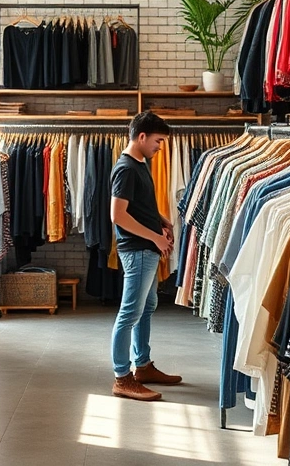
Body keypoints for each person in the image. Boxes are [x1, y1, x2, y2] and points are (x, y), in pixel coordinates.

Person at [108, 111, 183, 401]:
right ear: (142, 137)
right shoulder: (126, 168)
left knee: (146, 306)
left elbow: (139, 205)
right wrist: (154, 236)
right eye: (158, 140)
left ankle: (143, 365)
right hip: (138, 250)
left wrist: (161, 219)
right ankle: (122, 377)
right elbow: (118, 215)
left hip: (147, 248)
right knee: (129, 312)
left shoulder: (140, 162)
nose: (160, 146)